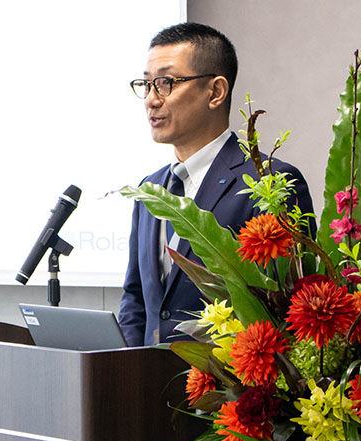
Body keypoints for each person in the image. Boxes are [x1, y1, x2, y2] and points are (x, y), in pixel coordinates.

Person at [118, 22, 315, 347]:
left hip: (233, 388)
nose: (151, 100)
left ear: (216, 91)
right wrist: (129, 371)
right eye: (147, 84)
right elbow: (136, 298)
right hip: (148, 388)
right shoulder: (150, 189)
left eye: (166, 83)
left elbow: (288, 307)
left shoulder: (269, 182)